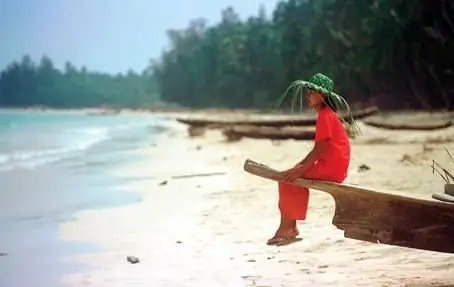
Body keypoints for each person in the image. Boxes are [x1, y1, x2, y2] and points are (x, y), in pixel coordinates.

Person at [267, 73, 360, 246]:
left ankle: (288, 228)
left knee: (287, 180)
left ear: (322, 95)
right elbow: (320, 149)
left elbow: (320, 148)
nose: (307, 96)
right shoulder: (328, 114)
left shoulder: (326, 116)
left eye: (310, 93)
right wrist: (299, 167)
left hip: (331, 168)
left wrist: (300, 170)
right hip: (333, 166)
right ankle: (289, 227)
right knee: (291, 174)